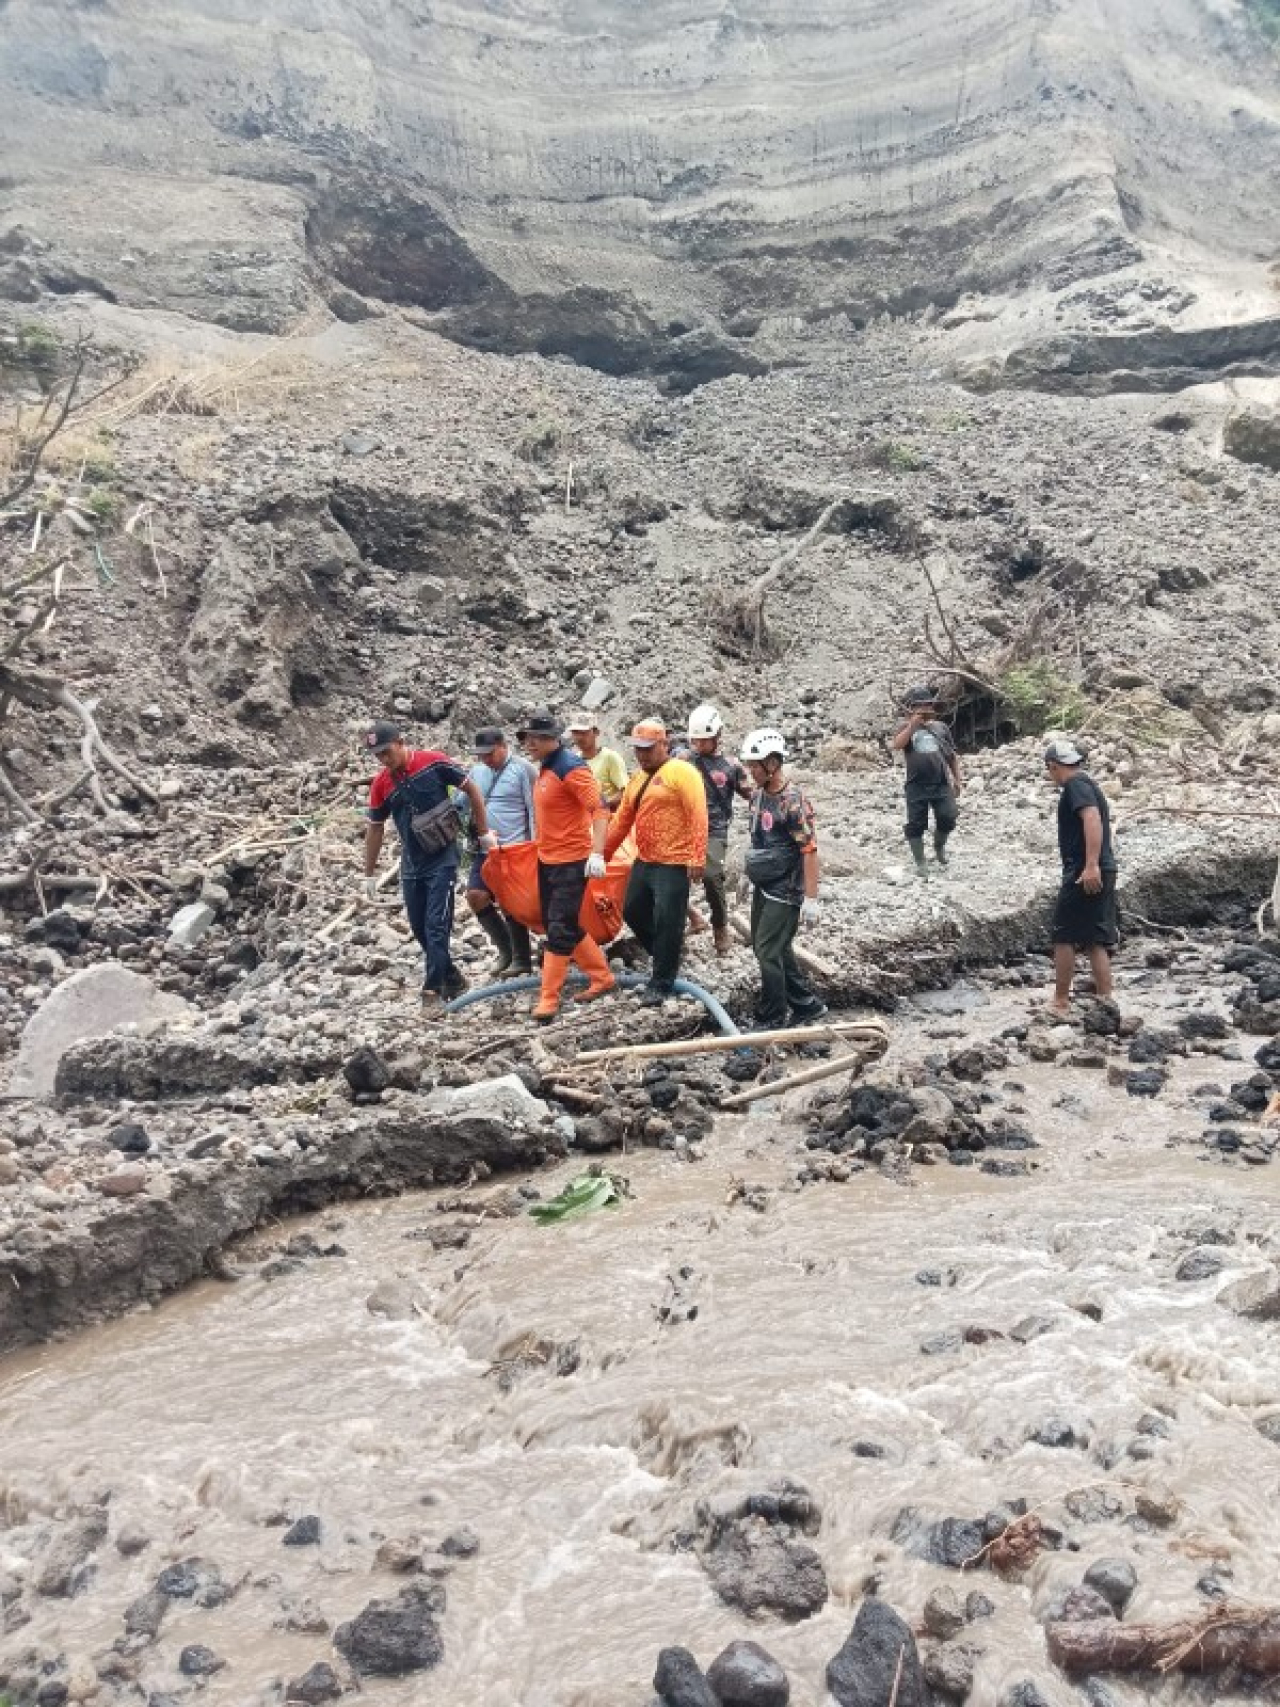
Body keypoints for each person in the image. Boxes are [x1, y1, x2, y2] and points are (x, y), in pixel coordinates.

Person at [362, 721, 496, 1011]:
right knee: (419, 927)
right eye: (378, 755)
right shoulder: (382, 785)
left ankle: (432, 991)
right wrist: (369, 874)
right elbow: (374, 828)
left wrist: (483, 831)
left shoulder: (432, 763)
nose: (384, 759)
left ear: (400, 742)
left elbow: (472, 789)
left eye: (387, 751)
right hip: (411, 863)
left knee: (437, 925)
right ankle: (452, 977)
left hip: (443, 858)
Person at [518, 709, 616, 1022]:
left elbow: (600, 809)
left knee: (558, 927)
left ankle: (548, 999)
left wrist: (597, 853)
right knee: (560, 921)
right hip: (548, 859)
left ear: (552, 739)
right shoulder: (547, 767)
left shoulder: (570, 768)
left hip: (572, 862)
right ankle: (602, 977)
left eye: (536, 738)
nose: (529, 743)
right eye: (527, 738)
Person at [604, 720, 708, 1006]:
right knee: (633, 910)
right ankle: (665, 954)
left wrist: (697, 856)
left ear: (665, 744)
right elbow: (621, 821)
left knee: (668, 918)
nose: (642, 755)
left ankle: (662, 980)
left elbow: (698, 813)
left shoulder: (682, 772)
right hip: (646, 858)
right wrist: (601, 857)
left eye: (648, 749)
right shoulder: (637, 780)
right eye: (638, 749)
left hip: (674, 861)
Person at [741, 727, 826, 1030]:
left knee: (766, 949)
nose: (750, 771)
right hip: (764, 883)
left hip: (786, 889)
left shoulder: (793, 802)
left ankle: (772, 1014)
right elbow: (758, 838)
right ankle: (806, 1005)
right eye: (749, 764)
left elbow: (809, 850)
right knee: (778, 947)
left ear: (773, 764)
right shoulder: (758, 796)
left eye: (755, 765)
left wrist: (811, 899)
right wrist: (748, 875)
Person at [1043, 738, 1118, 1016]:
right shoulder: (1089, 783)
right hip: (1104, 867)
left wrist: (1090, 865)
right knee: (1094, 939)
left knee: (1063, 935)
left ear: (1053, 766)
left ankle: (1060, 1000)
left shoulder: (1075, 786)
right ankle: (1105, 1001)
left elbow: (1091, 819)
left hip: (1085, 871)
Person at [674, 702, 752, 956]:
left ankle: (720, 926)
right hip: (683, 826)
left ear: (717, 736)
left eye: (704, 740)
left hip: (715, 828)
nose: (699, 746)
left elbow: (751, 794)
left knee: (711, 876)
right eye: (695, 741)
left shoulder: (732, 766)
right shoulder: (684, 759)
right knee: (671, 876)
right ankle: (691, 918)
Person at [466, 726, 536, 977]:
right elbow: (465, 803)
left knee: (511, 902)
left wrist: (535, 847)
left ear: (503, 746)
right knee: (475, 896)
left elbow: (534, 809)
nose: (486, 759)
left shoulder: (523, 769)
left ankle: (522, 959)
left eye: (490, 753)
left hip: (515, 849)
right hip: (486, 849)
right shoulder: (477, 771)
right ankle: (505, 949)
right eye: (481, 755)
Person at [890, 684, 962, 877]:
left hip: (940, 782)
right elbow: (897, 745)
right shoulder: (905, 727)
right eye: (919, 706)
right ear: (910, 708)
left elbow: (951, 755)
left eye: (927, 705)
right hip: (916, 785)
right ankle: (920, 861)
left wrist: (957, 780)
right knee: (915, 824)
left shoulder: (941, 728)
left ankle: (939, 847)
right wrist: (912, 726)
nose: (924, 709)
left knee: (948, 816)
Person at [567, 715, 628, 809]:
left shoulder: (610, 757)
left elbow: (626, 792)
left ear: (596, 732)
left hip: (608, 819)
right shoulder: (574, 760)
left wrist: (602, 805)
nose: (579, 737)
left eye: (583, 732)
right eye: (575, 733)